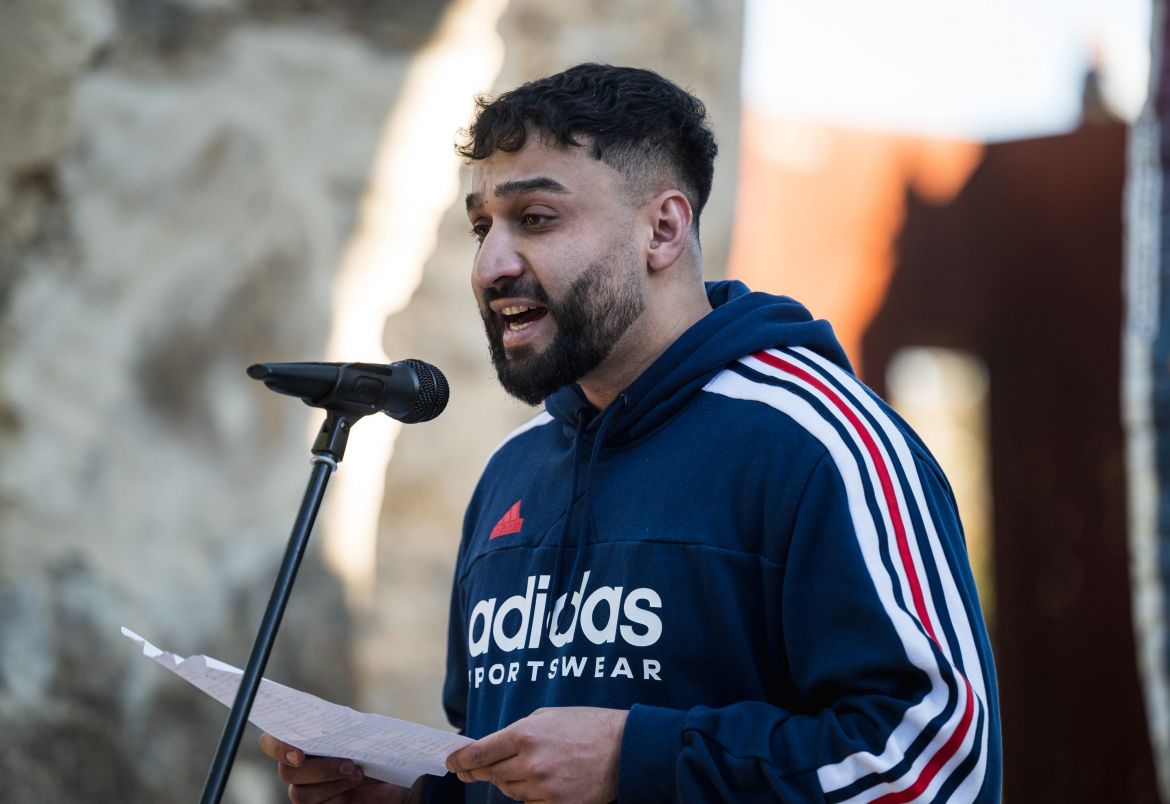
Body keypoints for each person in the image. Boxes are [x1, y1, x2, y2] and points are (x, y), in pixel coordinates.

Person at [260, 64, 1002, 804]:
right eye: (482, 227)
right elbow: (512, 774)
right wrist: (409, 798)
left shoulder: (817, 444)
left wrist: (635, 759)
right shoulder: (510, 470)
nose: (489, 266)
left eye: (536, 219)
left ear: (663, 229)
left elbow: (939, 768)